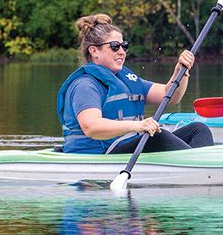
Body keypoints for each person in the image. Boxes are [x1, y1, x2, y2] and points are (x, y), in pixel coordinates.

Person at [56, 13, 213, 154]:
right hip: (100, 152)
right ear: (94, 51)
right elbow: (92, 127)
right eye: (115, 46)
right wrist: (137, 126)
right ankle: (203, 168)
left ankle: (201, 166)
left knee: (198, 129)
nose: (122, 51)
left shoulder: (126, 79)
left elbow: (170, 96)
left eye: (124, 46)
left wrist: (181, 72)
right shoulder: (85, 85)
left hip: (125, 144)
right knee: (158, 136)